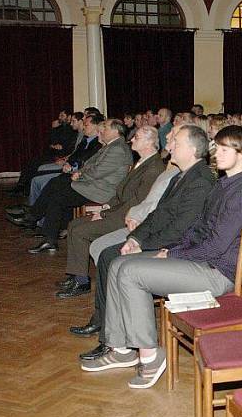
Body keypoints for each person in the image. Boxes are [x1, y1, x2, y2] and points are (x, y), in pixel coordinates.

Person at [80, 126, 242, 389]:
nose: (217, 153)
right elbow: (198, 228)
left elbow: (215, 247)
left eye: (225, 150)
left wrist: (174, 252)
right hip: (199, 260)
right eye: (217, 147)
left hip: (217, 273)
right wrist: (172, 249)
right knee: (119, 263)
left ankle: (150, 356)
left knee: (131, 272)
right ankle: (121, 349)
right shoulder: (224, 184)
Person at [75, 125, 214, 361]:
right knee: (111, 254)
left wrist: (143, 244)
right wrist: (135, 237)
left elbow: (180, 229)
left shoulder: (200, 181)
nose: (169, 146)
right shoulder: (181, 175)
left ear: (191, 150)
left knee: (112, 257)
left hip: (178, 250)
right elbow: (157, 215)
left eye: (176, 143)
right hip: (161, 238)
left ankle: (113, 340)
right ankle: (114, 334)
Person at [56, 126, 165, 298]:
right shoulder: (142, 161)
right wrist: (107, 206)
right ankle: (76, 274)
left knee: (79, 231)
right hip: (118, 210)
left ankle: (82, 282)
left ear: (149, 142)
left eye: (136, 137)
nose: (132, 140)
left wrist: (106, 214)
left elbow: (138, 202)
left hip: (128, 217)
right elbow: (121, 192)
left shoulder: (154, 167)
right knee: (74, 224)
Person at [14, 119, 134, 254]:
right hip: (94, 184)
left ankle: (40, 226)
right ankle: (42, 227)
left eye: (105, 128)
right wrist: (79, 172)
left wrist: (79, 175)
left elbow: (98, 171)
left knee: (57, 195)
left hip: (101, 190)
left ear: (115, 131)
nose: (102, 130)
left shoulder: (117, 148)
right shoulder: (112, 146)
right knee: (56, 184)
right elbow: (89, 164)